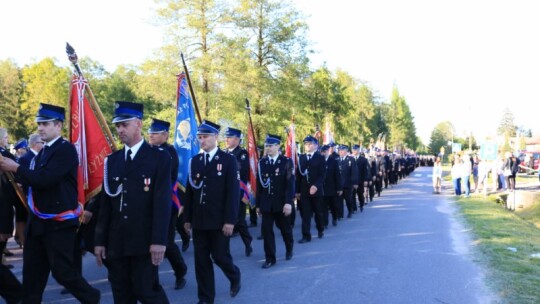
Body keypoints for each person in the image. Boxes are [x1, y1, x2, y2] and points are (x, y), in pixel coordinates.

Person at [0, 104, 101, 304]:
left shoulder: (65, 150)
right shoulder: (44, 152)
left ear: (58, 125)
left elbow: (46, 179)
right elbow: (35, 179)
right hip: (37, 223)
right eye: (39, 124)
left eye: (45, 124)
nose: (40, 128)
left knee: (62, 273)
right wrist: (21, 178)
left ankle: (91, 297)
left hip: (58, 224)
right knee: (32, 277)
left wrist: (16, 167)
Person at [94, 101, 171, 303]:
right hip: (116, 242)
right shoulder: (112, 160)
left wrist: (159, 240)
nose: (120, 129)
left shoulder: (159, 158)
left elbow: (162, 203)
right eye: (117, 126)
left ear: (138, 123)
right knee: (121, 294)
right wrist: (100, 241)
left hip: (144, 240)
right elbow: (106, 205)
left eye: (124, 124)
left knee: (147, 292)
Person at [183, 120, 241, 304]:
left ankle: (234, 275)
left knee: (220, 257)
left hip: (220, 220)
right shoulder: (195, 161)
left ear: (216, 137)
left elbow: (233, 193)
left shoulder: (228, 160)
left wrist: (230, 221)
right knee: (201, 261)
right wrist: (187, 218)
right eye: (200, 137)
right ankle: (206, 298)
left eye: (206, 136)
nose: (202, 140)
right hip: (200, 220)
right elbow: (190, 192)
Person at [148, 118, 188, 290]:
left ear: (165, 135)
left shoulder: (169, 153)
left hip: (167, 204)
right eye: (149, 133)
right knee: (149, 242)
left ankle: (180, 271)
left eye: (155, 133)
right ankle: (152, 282)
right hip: (148, 204)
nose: (151, 136)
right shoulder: (149, 151)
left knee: (167, 242)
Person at [256, 134, 295, 268]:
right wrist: (258, 205)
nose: (268, 148)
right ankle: (270, 258)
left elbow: (290, 184)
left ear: (278, 146)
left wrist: (288, 202)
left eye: (271, 146)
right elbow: (259, 185)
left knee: (285, 229)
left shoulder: (286, 162)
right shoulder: (262, 163)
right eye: (266, 146)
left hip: (281, 203)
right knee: (267, 231)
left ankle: (289, 247)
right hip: (267, 204)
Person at [224, 127, 253, 257]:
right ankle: (224, 252)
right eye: (226, 137)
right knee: (223, 221)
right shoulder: (223, 153)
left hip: (238, 192)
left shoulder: (242, 154)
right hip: (224, 193)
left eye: (229, 137)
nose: (226, 140)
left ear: (237, 139)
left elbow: (243, 171)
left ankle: (248, 243)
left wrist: (245, 194)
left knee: (240, 221)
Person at [14, 134, 43, 248]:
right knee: (25, 219)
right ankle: (24, 240)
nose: (44, 145)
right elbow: (22, 178)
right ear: (36, 145)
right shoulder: (25, 158)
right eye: (42, 143)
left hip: (38, 194)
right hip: (28, 194)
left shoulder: (41, 156)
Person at [296, 135, 326, 243]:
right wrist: (297, 191)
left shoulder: (320, 158)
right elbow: (298, 175)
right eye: (306, 144)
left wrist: (316, 186)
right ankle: (306, 235)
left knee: (318, 212)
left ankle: (320, 228)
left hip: (316, 190)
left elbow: (322, 175)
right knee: (305, 214)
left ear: (315, 145)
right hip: (304, 191)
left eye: (310, 144)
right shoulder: (301, 157)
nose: (307, 146)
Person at [320, 144, 342, 227]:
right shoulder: (319, 161)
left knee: (333, 205)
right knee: (323, 207)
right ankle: (325, 222)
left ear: (328, 152)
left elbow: (337, 175)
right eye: (322, 152)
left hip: (332, 188)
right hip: (322, 189)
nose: (323, 153)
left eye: (324, 152)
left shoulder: (333, 161)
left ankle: (334, 218)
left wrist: (339, 188)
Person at [337, 145, 359, 218]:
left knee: (348, 199)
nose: (341, 152)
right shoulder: (337, 160)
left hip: (348, 183)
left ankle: (350, 211)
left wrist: (355, 182)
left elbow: (354, 172)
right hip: (339, 184)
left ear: (346, 151)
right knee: (339, 200)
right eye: (339, 150)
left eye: (342, 150)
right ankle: (340, 214)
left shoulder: (351, 159)